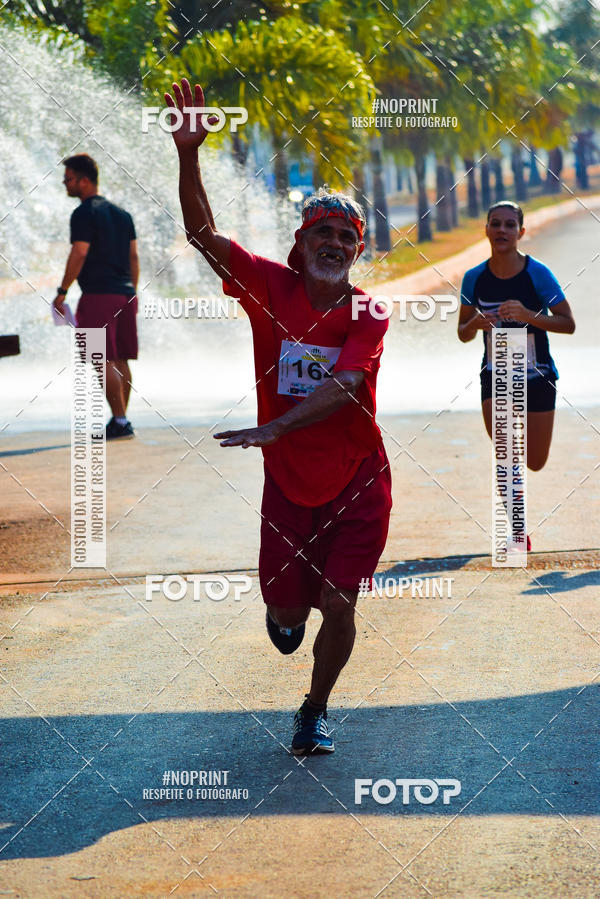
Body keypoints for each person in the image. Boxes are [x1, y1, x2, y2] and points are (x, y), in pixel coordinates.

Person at [166, 79, 392, 755]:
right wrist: (188, 154)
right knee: (290, 612)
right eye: (321, 232)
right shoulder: (270, 286)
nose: (334, 242)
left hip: (357, 477)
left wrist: (276, 425)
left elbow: (350, 384)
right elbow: (203, 235)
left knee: (342, 601)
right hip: (288, 484)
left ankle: (315, 709)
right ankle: (286, 609)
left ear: (357, 250)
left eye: (346, 236)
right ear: (300, 245)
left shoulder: (369, 312)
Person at [458, 201, 575, 550]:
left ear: (521, 233)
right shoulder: (474, 278)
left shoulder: (537, 274)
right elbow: (463, 333)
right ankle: (517, 532)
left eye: (510, 225)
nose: (502, 231)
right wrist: (474, 324)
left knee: (535, 462)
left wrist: (528, 314)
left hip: (538, 376)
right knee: (506, 453)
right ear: (487, 230)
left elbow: (567, 323)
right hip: (496, 376)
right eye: (495, 224)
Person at [54, 154, 139, 440]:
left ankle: (120, 419)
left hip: (97, 296)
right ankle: (120, 420)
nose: (64, 184)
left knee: (100, 357)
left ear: (84, 180)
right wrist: (132, 292)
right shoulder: (122, 214)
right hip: (125, 294)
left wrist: (62, 291)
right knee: (120, 357)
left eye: (68, 179)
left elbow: (79, 252)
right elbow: (134, 256)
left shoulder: (83, 213)